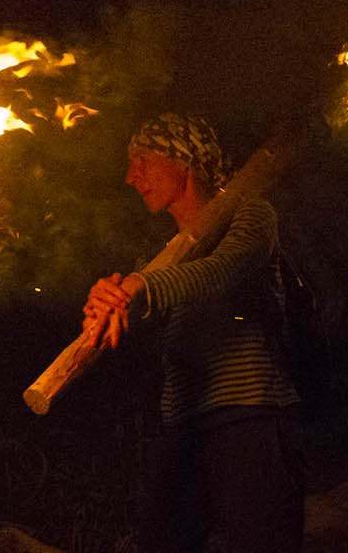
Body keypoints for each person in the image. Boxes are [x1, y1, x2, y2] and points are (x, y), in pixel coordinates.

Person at [81, 113, 303, 553]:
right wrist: (103, 307)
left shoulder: (253, 217)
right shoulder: (163, 256)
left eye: (142, 160)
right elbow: (146, 323)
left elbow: (218, 272)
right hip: (183, 427)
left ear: (183, 159)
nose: (131, 177)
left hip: (249, 418)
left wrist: (142, 286)